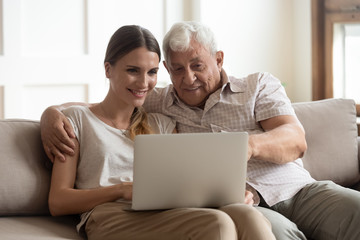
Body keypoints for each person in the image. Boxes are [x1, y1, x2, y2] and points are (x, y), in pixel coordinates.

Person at [41, 21, 360, 240]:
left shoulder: (254, 87)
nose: (188, 78)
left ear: (219, 59)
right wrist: (50, 113)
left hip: (293, 189)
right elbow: (98, 107)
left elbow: (295, 140)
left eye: (197, 65)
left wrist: (244, 147)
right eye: (176, 69)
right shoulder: (157, 103)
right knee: (252, 225)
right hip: (226, 202)